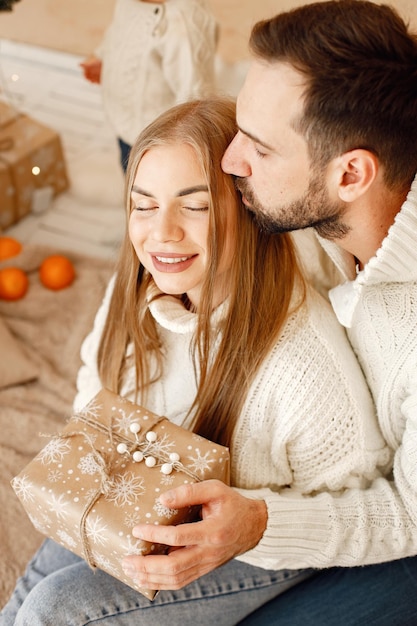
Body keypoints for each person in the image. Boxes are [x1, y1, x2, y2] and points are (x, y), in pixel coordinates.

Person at [1, 98, 390, 625]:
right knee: (51, 553)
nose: (162, 232)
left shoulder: (304, 366)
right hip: (154, 498)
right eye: (143, 204)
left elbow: (354, 505)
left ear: (251, 208)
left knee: (55, 609)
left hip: (261, 542)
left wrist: (255, 527)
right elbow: (95, 389)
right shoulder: (134, 288)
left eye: (195, 205)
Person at [220, 1, 417, 623]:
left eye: (259, 148)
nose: (231, 161)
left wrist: (257, 524)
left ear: (352, 173)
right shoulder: (317, 211)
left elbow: (409, 514)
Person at [80, 0, 218, 171]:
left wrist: (182, 151)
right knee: (128, 169)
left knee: (147, 187)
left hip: (157, 143)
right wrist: (102, 56)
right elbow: (119, 32)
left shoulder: (182, 23)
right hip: (126, 123)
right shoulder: (129, 3)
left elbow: (195, 95)